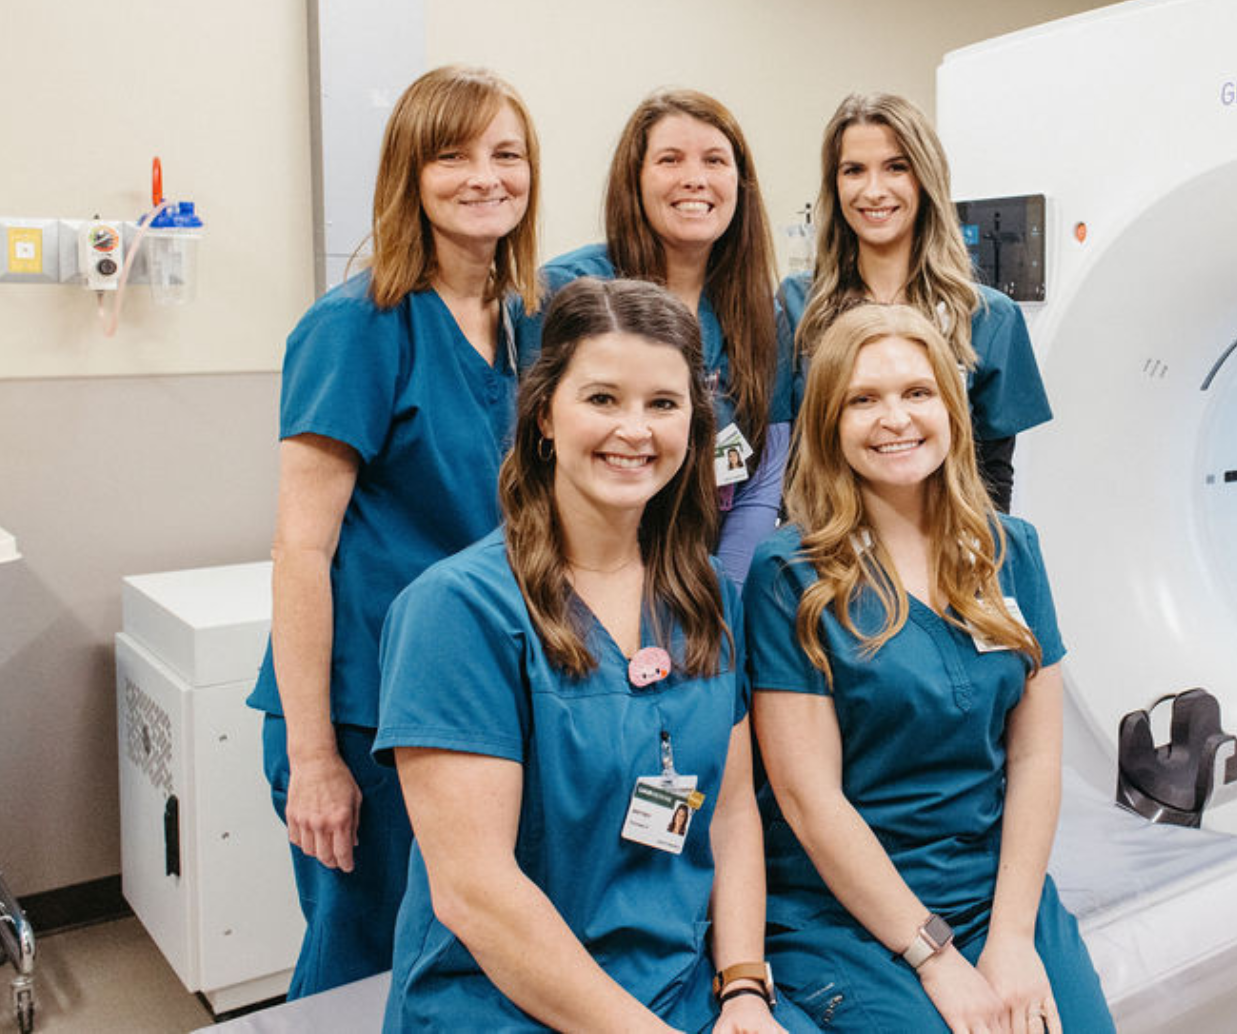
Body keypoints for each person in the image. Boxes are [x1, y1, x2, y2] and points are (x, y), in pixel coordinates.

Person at [376, 278, 816, 1032]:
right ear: (544, 414)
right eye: (603, 399)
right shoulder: (459, 611)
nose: (635, 430)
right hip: (503, 1001)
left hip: (681, 988)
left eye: (663, 404)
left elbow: (733, 811)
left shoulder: (706, 593)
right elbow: (476, 892)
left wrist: (743, 987)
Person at [247, 64, 541, 996]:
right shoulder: (358, 326)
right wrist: (313, 758)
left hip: (480, 696)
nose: (485, 176)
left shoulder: (530, 321)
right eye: (453, 156)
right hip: (364, 712)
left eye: (507, 153)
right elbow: (301, 549)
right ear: (408, 174)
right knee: (363, 967)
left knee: (464, 955)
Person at [745, 304, 1112, 1033]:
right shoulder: (790, 574)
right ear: (828, 423)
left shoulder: (1011, 550)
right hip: (849, 910)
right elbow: (809, 799)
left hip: (996, 888)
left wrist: (1011, 938)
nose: (895, 419)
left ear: (951, 407)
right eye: (863, 399)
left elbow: (1036, 758)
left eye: (917, 393)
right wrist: (934, 956)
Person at [526, 89, 788, 584]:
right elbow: (529, 461)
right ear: (635, 179)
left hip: (704, 583)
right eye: (670, 160)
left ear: (740, 182)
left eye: (715, 160)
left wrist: (722, 599)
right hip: (578, 576)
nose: (695, 179)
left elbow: (762, 483)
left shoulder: (761, 312)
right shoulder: (569, 291)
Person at [780, 93, 1050, 512]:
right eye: (854, 170)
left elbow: (993, 476)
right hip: (826, 545)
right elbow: (783, 457)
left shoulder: (989, 316)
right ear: (835, 184)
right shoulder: (799, 305)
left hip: (944, 550)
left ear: (926, 179)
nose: (873, 190)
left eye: (896, 167)